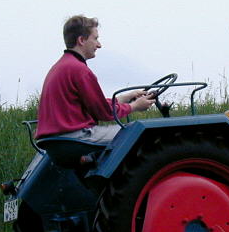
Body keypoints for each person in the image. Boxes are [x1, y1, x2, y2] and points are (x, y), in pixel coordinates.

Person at [35, 15, 155, 143]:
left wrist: (126, 97)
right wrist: (134, 106)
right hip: (75, 137)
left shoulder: (60, 67)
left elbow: (96, 104)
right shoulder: (79, 70)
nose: (99, 45)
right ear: (81, 40)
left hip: (53, 140)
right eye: (95, 39)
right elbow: (104, 113)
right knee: (139, 133)